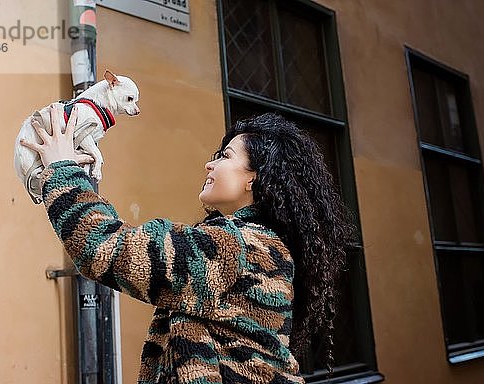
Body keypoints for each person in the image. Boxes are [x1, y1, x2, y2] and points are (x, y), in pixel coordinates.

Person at [20, 103, 356, 383]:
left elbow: (105, 248)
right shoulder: (264, 246)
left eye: (225, 156)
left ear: (255, 177)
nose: (210, 163)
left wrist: (61, 168)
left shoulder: (237, 248)